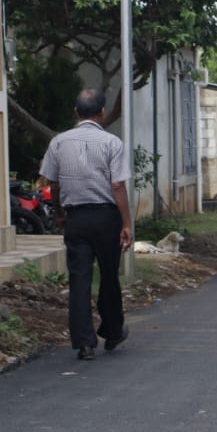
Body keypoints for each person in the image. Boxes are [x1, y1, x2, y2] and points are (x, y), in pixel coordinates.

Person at [38, 88, 133, 361]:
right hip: (106, 218)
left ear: (76, 112)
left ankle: (84, 343)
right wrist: (126, 223)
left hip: (75, 218)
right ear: (102, 112)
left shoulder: (58, 143)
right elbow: (117, 186)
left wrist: (59, 215)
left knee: (79, 279)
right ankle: (113, 330)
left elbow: (53, 184)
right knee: (109, 274)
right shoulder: (112, 143)